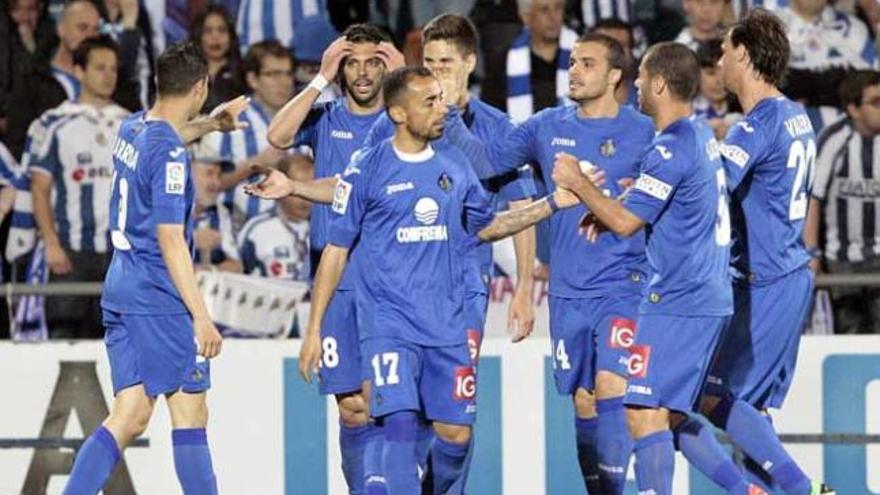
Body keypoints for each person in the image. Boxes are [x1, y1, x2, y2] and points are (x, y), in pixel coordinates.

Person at [248, 64, 575, 495]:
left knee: (454, 436)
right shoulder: (367, 168)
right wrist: (314, 329)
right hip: (389, 327)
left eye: (441, 98)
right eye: (431, 102)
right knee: (398, 424)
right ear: (399, 114)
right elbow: (336, 249)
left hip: (446, 324)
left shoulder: (456, 164)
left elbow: (487, 225)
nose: (443, 109)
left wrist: (552, 203)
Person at [551, 41, 760, 494]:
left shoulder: (669, 148)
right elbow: (656, 205)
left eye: (642, 77)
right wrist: (611, 204)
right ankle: (750, 491)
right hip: (702, 297)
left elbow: (626, 223)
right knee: (672, 414)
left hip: (680, 302)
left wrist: (579, 185)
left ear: (660, 83)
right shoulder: (699, 135)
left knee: (642, 412)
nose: (637, 85)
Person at [62, 41, 248, 495]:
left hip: (121, 286)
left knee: (130, 415)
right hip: (158, 296)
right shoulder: (169, 156)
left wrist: (212, 124)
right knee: (190, 413)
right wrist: (201, 316)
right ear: (200, 86)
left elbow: (169, 133)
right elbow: (170, 239)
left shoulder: (132, 127)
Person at [489, 32, 655, 494]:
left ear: (615, 75)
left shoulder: (644, 131)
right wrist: (464, 109)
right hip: (568, 291)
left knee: (611, 387)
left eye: (587, 63)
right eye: (573, 62)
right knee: (584, 402)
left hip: (625, 283)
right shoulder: (546, 126)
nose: (575, 72)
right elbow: (489, 158)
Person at [687, 10, 835, 494]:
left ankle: (800, 487)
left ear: (744, 55)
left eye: (726, 50)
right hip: (790, 275)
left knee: (711, 397)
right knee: (752, 411)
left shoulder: (755, 126)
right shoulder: (795, 116)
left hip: (764, 282)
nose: (721, 60)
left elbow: (713, 190)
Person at [264, 23, 403, 494]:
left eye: (373, 62)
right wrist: (319, 79)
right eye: (352, 63)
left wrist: (408, 77)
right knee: (351, 407)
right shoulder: (325, 117)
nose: (363, 73)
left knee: (387, 399)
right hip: (335, 278)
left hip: (391, 277)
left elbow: (446, 132)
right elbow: (277, 135)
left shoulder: (402, 120)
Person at [27, 35, 128, 339]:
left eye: (113, 68)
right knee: (63, 336)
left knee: (118, 340)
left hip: (119, 252)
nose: (108, 75)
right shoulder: (53, 123)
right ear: (79, 71)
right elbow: (39, 189)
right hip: (70, 250)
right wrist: (52, 243)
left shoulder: (130, 124)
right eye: (100, 68)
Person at [806, 70, 880, 335]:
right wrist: (811, 252)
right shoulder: (833, 140)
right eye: (876, 102)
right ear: (854, 108)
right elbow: (813, 199)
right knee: (852, 333)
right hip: (843, 259)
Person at [201, 40, 295, 225]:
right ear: (252, 79)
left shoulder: (304, 117)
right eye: (273, 74)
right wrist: (254, 164)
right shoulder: (230, 117)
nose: (283, 82)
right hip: (239, 233)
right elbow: (203, 184)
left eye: (288, 73)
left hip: (299, 238)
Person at [238, 154, 312, 280]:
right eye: (296, 188)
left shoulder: (328, 227)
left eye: (309, 188)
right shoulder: (257, 230)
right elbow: (238, 274)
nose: (304, 199)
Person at [505, 0, 577, 123]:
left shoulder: (584, 53)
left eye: (558, 8)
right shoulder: (506, 61)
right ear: (526, 17)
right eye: (544, 10)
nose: (553, 17)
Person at [190, 4, 245, 113]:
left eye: (222, 30)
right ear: (198, 36)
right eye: (208, 31)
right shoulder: (186, 73)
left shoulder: (242, 73)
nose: (215, 36)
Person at [192, 159, 242, 273]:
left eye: (219, 176)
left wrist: (208, 272)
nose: (217, 183)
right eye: (209, 173)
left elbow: (237, 266)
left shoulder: (222, 213)